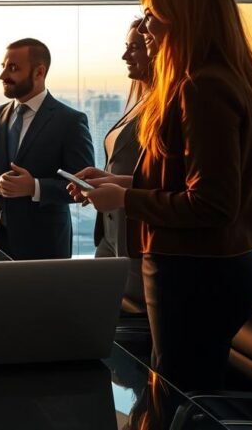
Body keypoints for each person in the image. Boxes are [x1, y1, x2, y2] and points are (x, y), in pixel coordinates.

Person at [73, 0, 252, 391]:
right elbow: (189, 183)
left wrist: (126, 199)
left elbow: (212, 205)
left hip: (195, 273)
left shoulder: (199, 89)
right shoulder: (220, 82)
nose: (144, 27)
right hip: (209, 270)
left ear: (186, 20)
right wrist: (118, 183)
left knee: (176, 394)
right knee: (183, 390)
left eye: (151, 16)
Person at [0, 38, 95, 260]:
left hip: (44, 247)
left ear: (39, 73)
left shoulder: (70, 122)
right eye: (3, 67)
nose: (3, 75)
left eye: (13, 68)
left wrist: (34, 187)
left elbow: (84, 186)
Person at [95, 19, 152, 309]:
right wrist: (103, 179)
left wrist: (118, 190)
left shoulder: (167, 105)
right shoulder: (141, 101)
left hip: (136, 238)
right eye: (126, 47)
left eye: (135, 48)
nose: (125, 56)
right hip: (110, 233)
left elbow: (165, 181)